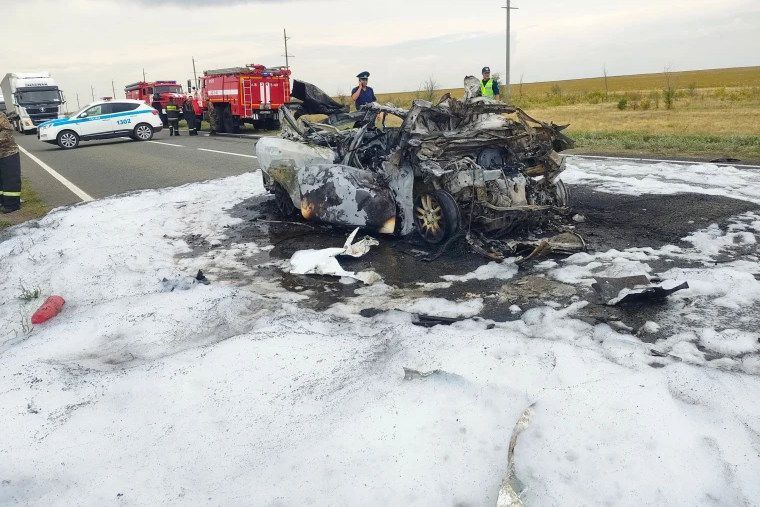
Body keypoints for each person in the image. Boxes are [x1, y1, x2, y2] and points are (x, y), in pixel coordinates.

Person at [0, 112, 21, 213]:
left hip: (8, 152)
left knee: (10, 180)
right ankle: (2, 202)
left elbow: (7, 130)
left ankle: (12, 205)